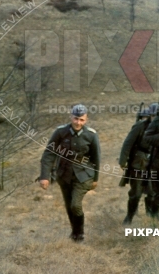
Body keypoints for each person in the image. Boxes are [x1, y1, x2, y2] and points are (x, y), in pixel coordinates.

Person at [39, 104, 101, 242]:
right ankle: (74, 232)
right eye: (76, 119)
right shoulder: (60, 132)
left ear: (86, 120)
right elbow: (49, 154)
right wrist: (44, 176)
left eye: (82, 120)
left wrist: (95, 179)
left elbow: (96, 158)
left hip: (84, 175)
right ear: (71, 117)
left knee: (75, 205)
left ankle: (80, 234)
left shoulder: (91, 135)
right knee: (69, 206)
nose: (78, 123)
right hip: (64, 175)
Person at [119, 103, 159, 224]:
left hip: (155, 163)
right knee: (136, 193)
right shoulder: (140, 126)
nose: (155, 118)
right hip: (139, 162)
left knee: (153, 192)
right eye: (153, 115)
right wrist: (123, 160)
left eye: (157, 115)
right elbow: (128, 143)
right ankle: (129, 217)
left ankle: (152, 216)